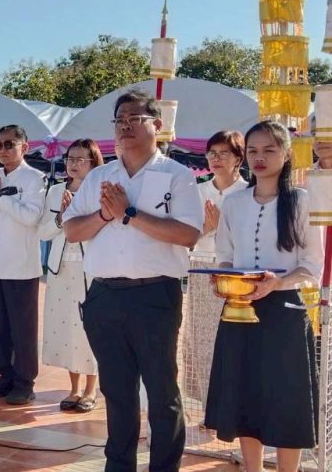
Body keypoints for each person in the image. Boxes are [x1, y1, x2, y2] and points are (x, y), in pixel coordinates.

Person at [63, 89, 203, 472]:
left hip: (154, 295)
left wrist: (128, 213)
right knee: (117, 391)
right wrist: (104, 216)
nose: (125, 126)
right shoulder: (100, 176)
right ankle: (119, 465)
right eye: (119, 120)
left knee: (161, 392)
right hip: (105, 296)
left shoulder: (177, 175)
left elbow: (188, 234)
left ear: (157, 125)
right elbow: (72, 230)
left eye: (134, 119)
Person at [204, 120, 323, 472]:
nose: (260, 157)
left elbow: (311, 266)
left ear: (286, 155)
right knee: (246, 395)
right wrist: (223, 279)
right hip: (239, 310)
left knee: (288, 399)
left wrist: (277, 283)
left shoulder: (301, 201)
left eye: (269, 150)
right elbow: (225, 255)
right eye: (253, 150)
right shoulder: (234, 202)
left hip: (285, 312)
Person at [0, 125, 46, 405]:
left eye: (9, 145)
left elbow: (31, 217)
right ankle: (5, 376)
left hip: (20, 265)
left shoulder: (35, 178)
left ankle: (25, 382)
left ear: (24, 147)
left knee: (22, 329)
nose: (3, 150)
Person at [38, 139, 103, 413]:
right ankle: (74, 388)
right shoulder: (55, 192)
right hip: (60, 269)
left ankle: (90, 389)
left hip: (90, 270)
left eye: (80, 159)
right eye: (70, 158)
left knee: (88, 328)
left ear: (93, 163)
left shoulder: (100, 191)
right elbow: (43, 232)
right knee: (64, 328)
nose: (73, 164)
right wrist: (61, 218)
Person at [185, 130, 247, 403]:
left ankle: (233, 402)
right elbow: (187, 236)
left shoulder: (248, 193)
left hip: (235, 271)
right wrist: (206, 228)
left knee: (233, 338)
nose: (216, 159)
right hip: (201, 266)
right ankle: (207, 403)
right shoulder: (197, 191)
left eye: (224, 153)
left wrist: (221, 227)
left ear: (238, 159)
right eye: (212, 153)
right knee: (200, 338)